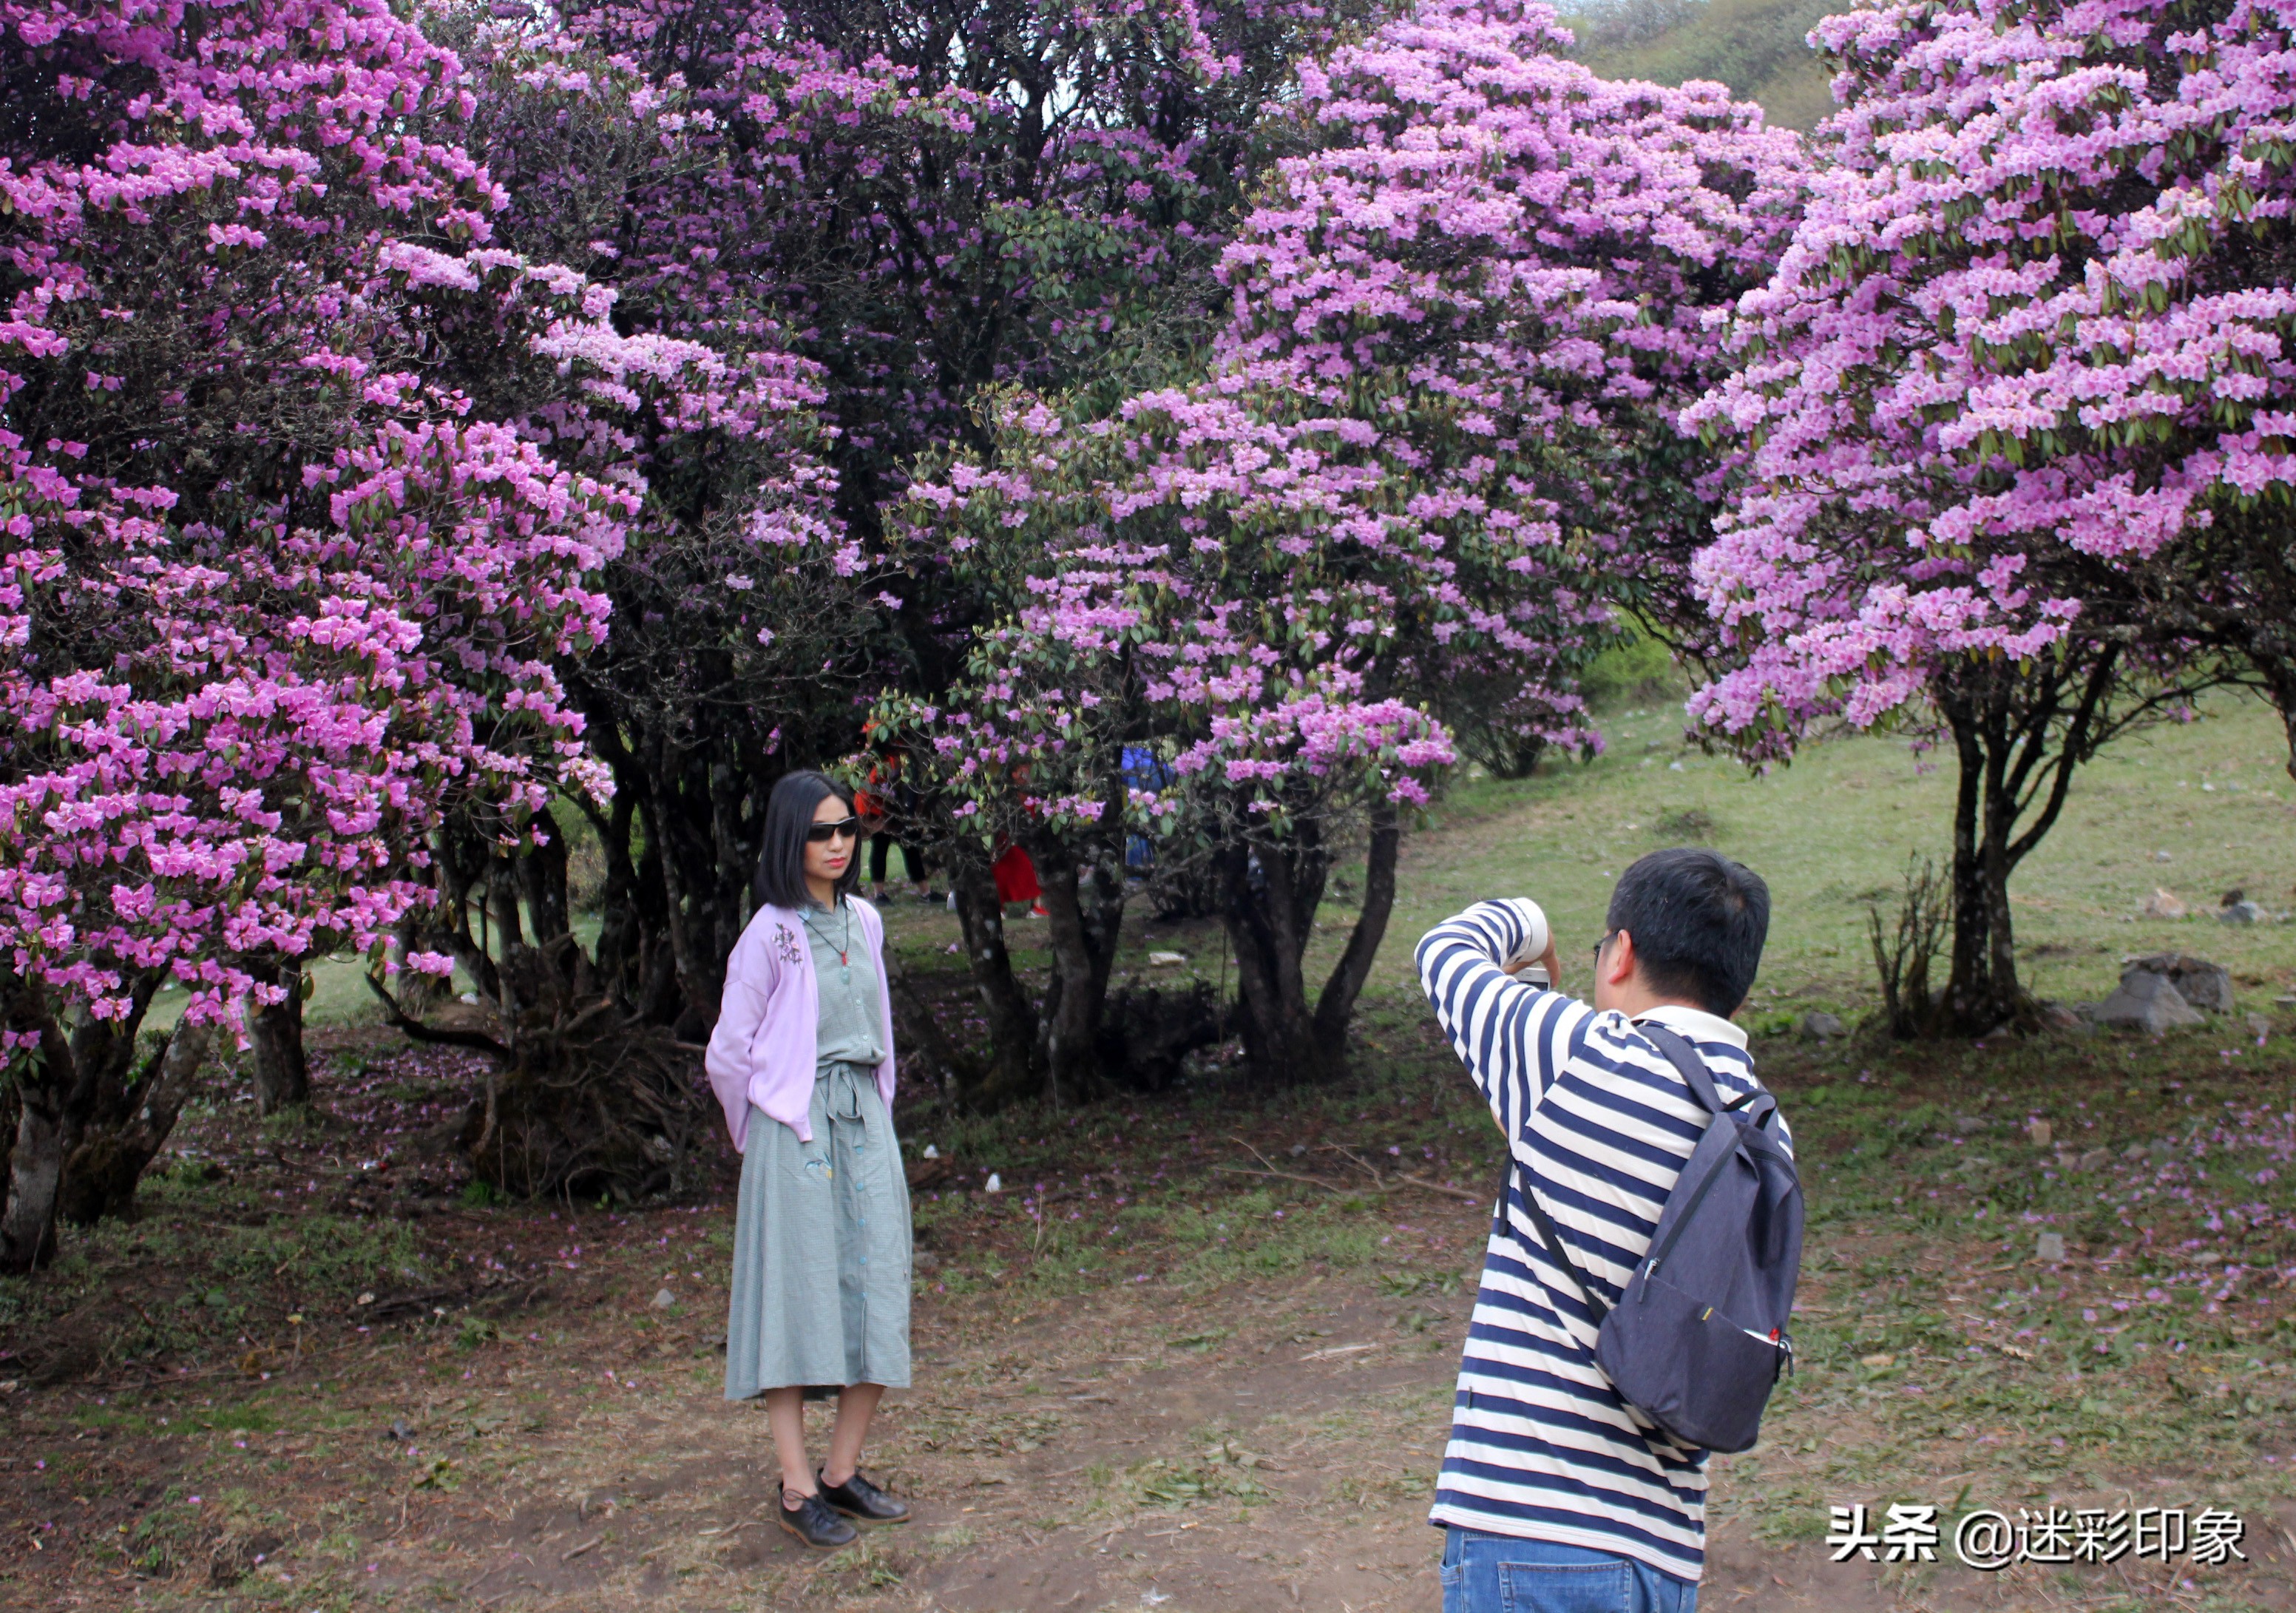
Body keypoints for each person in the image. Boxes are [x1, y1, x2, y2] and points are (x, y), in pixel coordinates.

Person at [1415, 848, 1783, 1613]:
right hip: (1664, 1554)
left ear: (1621, 953)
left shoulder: (1575, 1054)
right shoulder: (1761, 1130)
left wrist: (1534, 925)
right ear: (1736, 991)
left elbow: (1443, 952)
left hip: (1529, 1533)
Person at [705, 770, 915, 1549]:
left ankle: (841, 1472)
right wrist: (761, 1131)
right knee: (794, 1305)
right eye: (820, 832)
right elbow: (728, 1054)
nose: (836, 845)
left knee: (877, 1289)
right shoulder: (769, 933)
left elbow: (875, 1028)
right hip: (792, 1131)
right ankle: (796, 1488)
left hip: (865, 1121)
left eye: (846, 830)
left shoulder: (865, 920)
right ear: (790, 841)